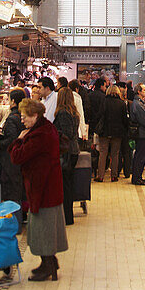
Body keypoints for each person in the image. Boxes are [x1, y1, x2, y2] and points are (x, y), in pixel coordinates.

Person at [10, 98, 67, 281]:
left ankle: (48, 266)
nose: (21, 120)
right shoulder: (45, 128)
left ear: (35, 116)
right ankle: (49, 262)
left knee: (43, 228)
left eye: (24, 116)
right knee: (44, 227)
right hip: (47, 186)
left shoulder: (39, 135)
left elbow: (17, 157)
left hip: (43, 188)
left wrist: (18, 141)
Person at [0, 89, 27, 228]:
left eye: (9, 99)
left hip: (11, 161)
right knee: (18, 190)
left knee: (12, 192)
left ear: (13, 101)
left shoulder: (13, 118)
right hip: (19, 160)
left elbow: (12, 139)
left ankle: (14, 224)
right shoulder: (21, 116)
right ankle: (19, 220)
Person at [52, 88, 81, 225]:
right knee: (68, 183)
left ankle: (66, 217)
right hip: (73, 150)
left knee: (65, 185)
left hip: (66, 152)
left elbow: (66, 134)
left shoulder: (63, 113)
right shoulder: (73, 112)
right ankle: (67, 216)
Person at [95, 85, 129, 182]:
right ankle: (114, 176)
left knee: (103, 153)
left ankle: (100, 176)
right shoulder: (122, 104)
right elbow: (124, 119)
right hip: (117, 132)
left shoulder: (104, 101)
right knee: (115, 154)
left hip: (104, 132)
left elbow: (99, 115)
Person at [128, 83, 145, 186]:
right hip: (141, 133)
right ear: (139, 91)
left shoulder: (139, 103)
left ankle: (137, 177)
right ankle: (137, 178)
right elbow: (144, 120)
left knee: (139, 155)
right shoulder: (138, 104)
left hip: (141, 133)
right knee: (140, 156)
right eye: (144, 90)